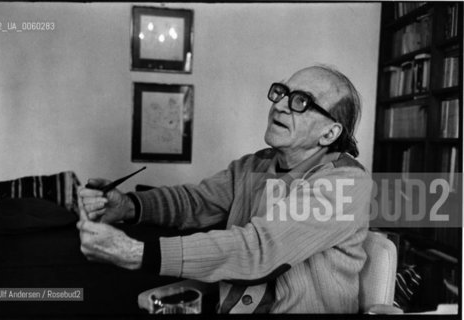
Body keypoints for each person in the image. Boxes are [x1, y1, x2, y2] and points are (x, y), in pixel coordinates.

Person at [78, 65, 372, 313]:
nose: (279, 105)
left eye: (301, 101)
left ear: (329, 133)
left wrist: (135, 252)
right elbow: (195, 203)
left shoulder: (346, 183)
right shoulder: (253, 166)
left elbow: (259, 250)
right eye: (282, 93)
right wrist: (129, 206)